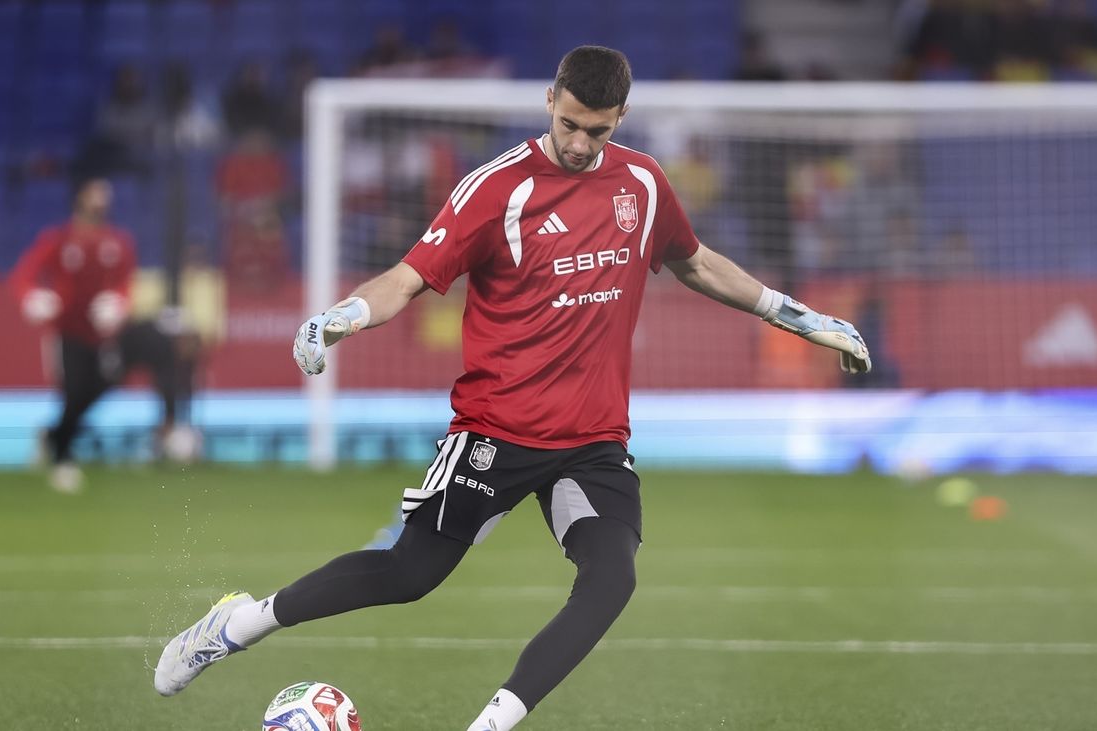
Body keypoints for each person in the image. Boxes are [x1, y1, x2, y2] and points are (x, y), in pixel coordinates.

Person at [154, 46, 871, 729]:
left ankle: (493, 720)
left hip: (592, 439)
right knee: (411, 574)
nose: (582, 142)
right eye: (569, 124)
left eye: (597, 129)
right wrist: (340, 317)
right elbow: (407, 278)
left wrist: (799, 317)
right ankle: (240, 622)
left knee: (611, 577)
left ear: (619, 116)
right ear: (550, 100)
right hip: (496, 429)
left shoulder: (643, 184)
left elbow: (697, 263)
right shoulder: (497, 189)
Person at [10, 177, 195, 492]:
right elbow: (24, 275)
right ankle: (62, 457)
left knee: (123, 367)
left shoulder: (117, 242)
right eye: (95, 194)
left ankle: (167, 426)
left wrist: (118, 304)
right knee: (74, 393)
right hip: (68, 332)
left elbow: (125, 282)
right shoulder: (58, 239)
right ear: (80, 198)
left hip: (105, 336)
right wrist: (32, 298)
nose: (101, 201)